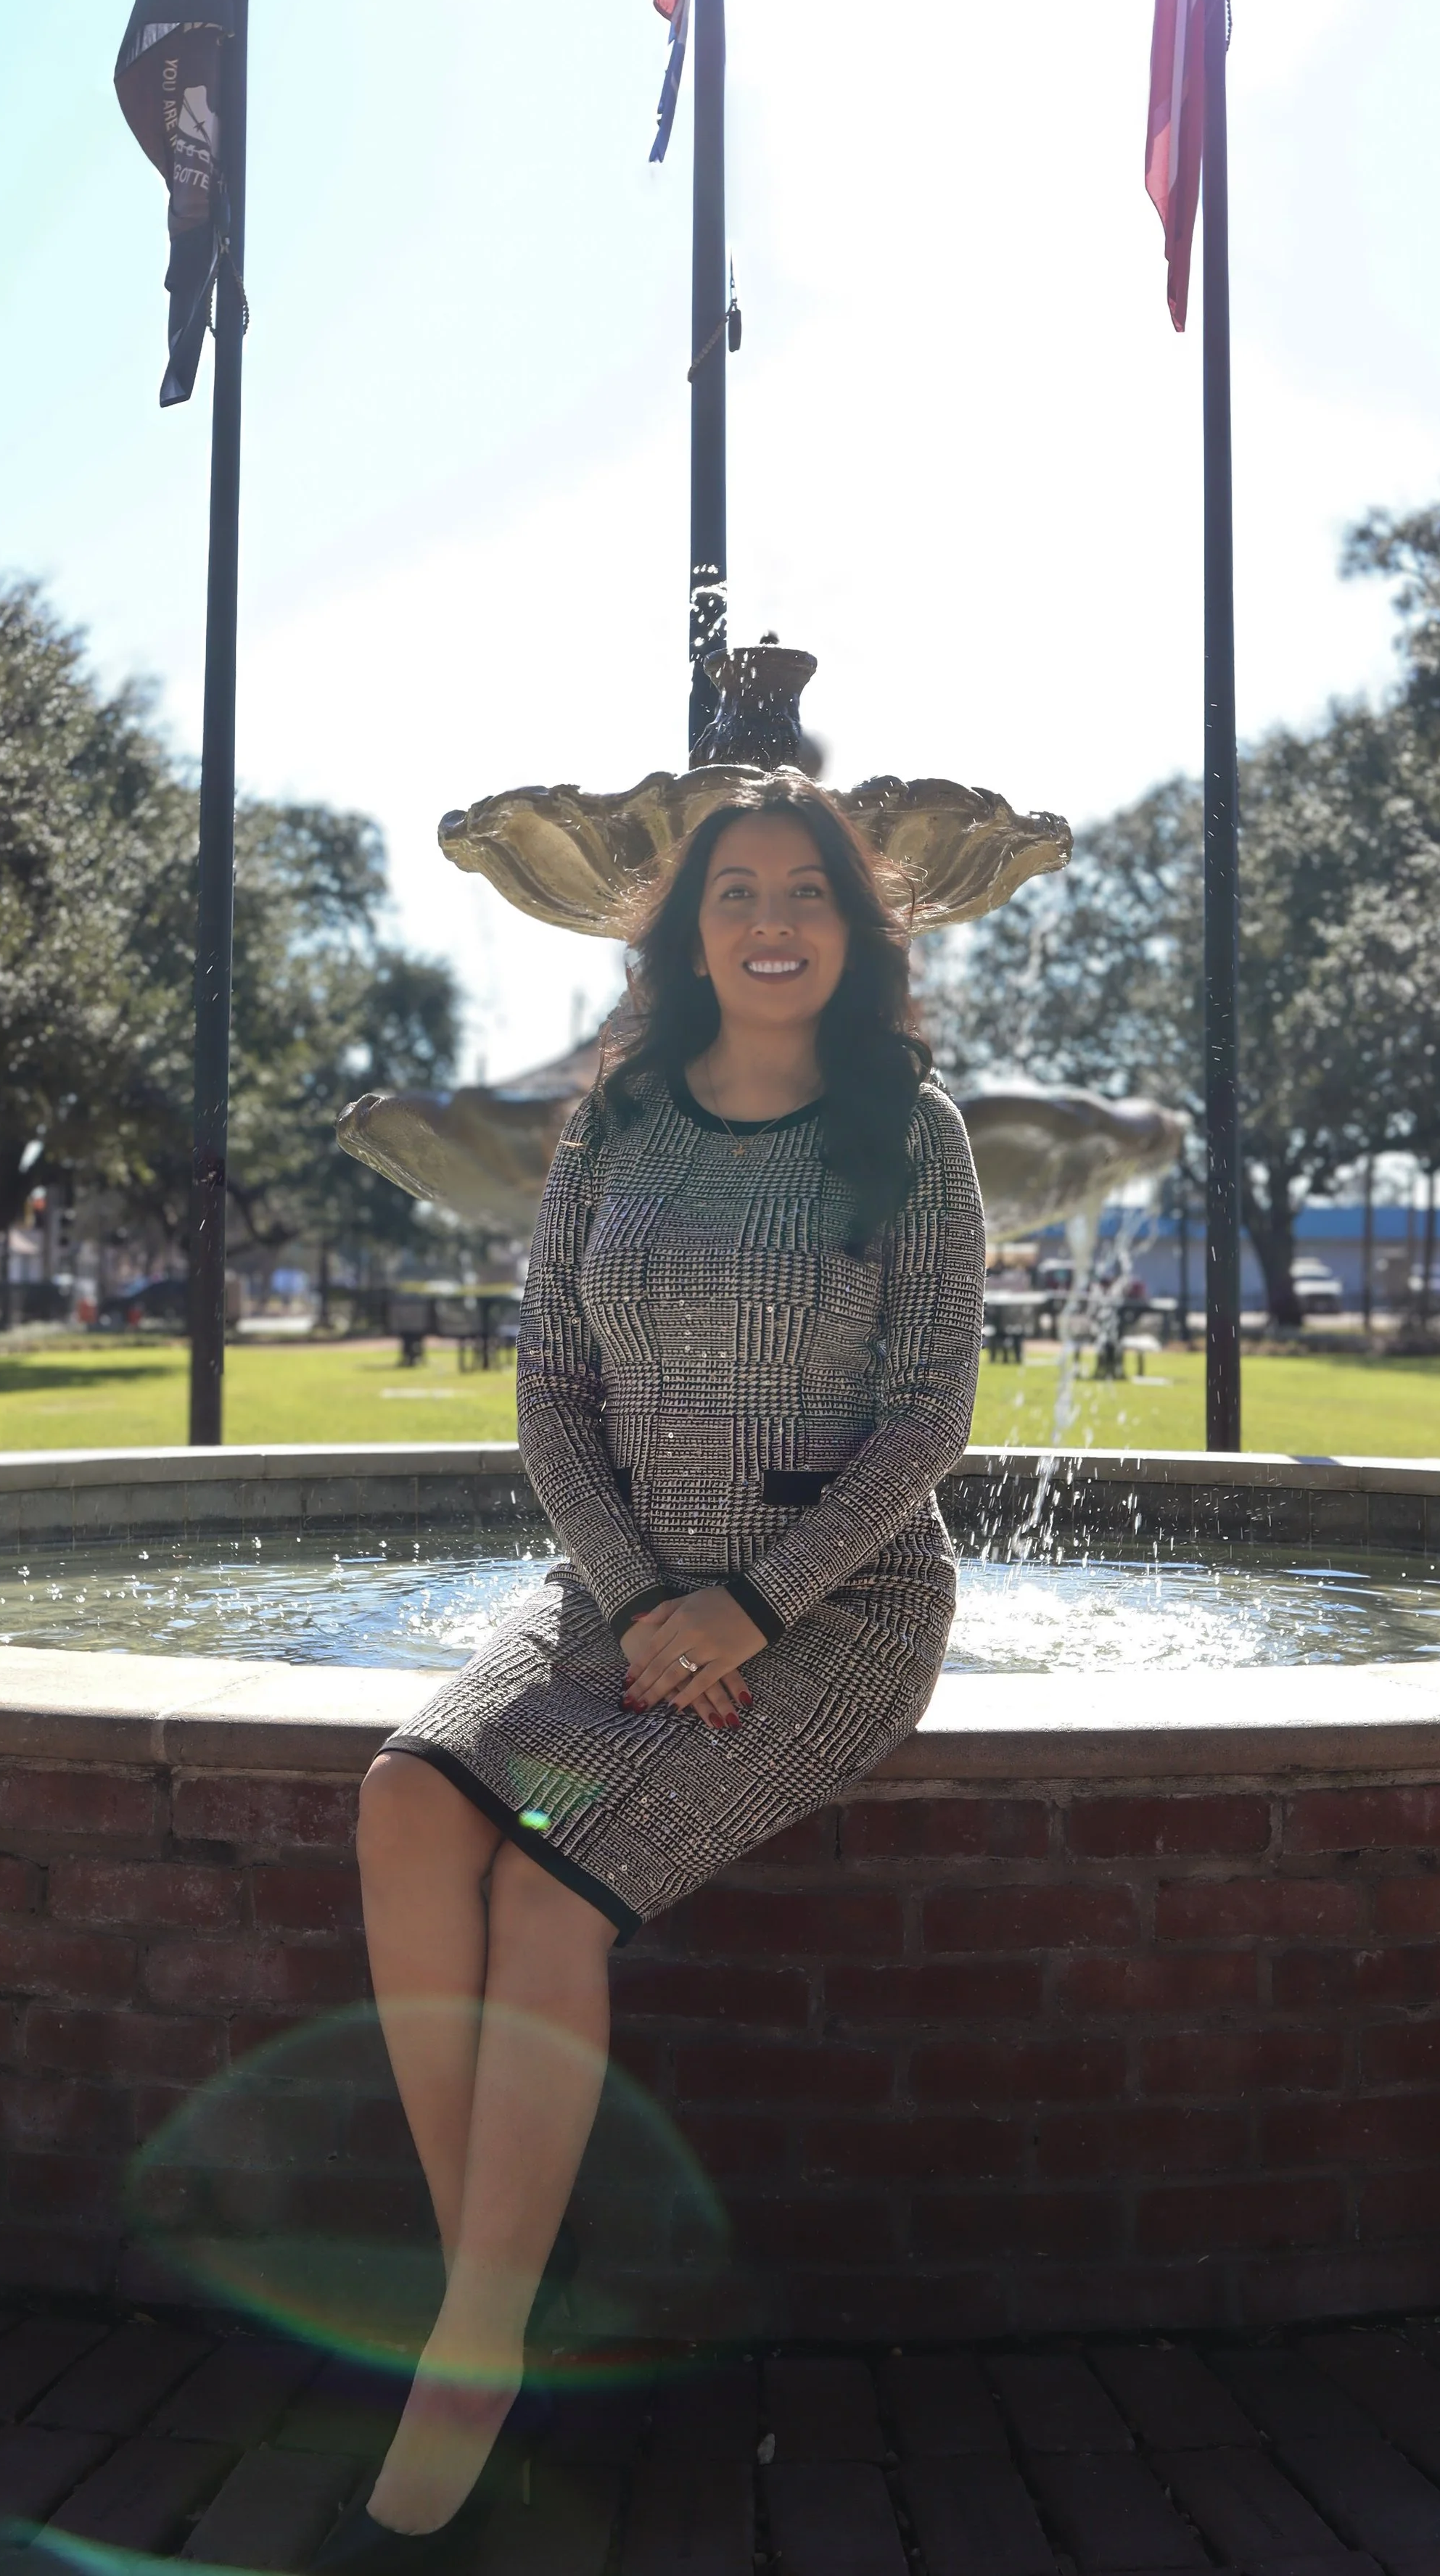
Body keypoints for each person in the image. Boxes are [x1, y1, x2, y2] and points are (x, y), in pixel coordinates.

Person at [318, 773, 985, 2566]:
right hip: (613, 1590)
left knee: (546, 1892)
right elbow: (547, 1394)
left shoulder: (911, 1128)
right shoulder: (612, 1119)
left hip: (833, 1610)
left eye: (806, 891)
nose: (771, 919)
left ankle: (464, 2361)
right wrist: (637, 1603)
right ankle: (496, 2286)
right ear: (689, 930)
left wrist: (748, 1607)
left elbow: (928, 1415)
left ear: (853, 928)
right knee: (405, 1800)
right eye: (734, 890)